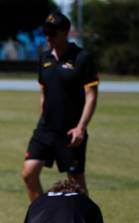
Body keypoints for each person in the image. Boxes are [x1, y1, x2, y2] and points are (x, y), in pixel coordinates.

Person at [22, 12, 99, 201]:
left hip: (71, 132)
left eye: (52, 33)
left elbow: (91, 96)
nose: (48, 37)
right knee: (29, 174)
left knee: (76, 184)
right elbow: (44, 94)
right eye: (46, 33)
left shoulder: (82, 58)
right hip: (46, 129)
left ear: (65, 32)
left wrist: (81, 127)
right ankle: (41, 221)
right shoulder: (44, 58)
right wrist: (42, 121)